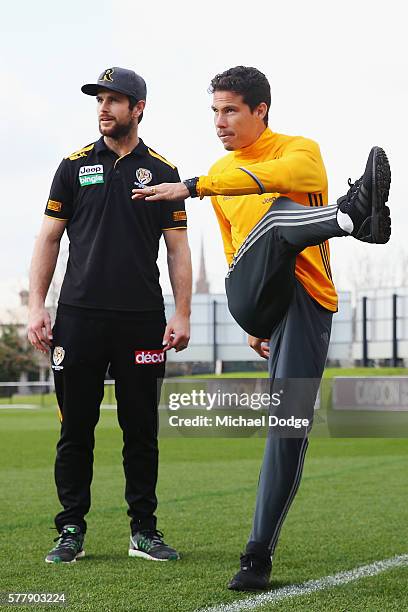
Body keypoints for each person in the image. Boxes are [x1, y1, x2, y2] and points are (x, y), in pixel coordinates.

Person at [132, 66, 391, 590]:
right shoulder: (220, 174)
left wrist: (192, 187)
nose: (220, 123)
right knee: (272, 225)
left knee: (288, 428)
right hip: (251, 295)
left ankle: (256, 555)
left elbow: (278, 180)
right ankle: (351, 218)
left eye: (229, 111)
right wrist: (250, 318)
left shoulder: (302, 151)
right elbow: (232, 252)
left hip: (308, 305)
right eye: (215, 112)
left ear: (260, 111)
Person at [27, 67, 192, 564]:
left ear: (138, 108)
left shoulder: (162, 171)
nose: (104, 108)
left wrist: (181, 313)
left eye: (115, 100)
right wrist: (38, 305)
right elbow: (49, 238)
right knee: (75, 430)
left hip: (141, 318)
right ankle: (71, 530)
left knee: (140, 430)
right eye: (99, 99)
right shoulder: (73, 166)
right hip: (78, 318)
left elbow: (178, 250)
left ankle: (144, 530)